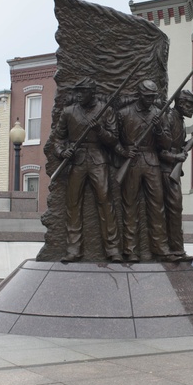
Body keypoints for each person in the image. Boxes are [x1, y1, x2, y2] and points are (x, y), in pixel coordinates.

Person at [50, 77, 123, 262]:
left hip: (98, 159)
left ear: (92, 92)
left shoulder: (106, 111)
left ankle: (113, 249)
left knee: (106, 202)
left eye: (83, 91)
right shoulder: (68, 112)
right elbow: (58, 139)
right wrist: (63, 152)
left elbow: (114, 139)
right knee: (73, 204)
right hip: (76, 161)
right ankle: (73, 249)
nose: (79, 95)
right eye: (77, 92)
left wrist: (100, 131)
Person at [116, 80, 176, 262]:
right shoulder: (124, 113)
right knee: (130, 206)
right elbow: (112, 139)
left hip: (152, 162)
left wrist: (158, 129)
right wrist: (124, 151)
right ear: (140, 94)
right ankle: (130, 249)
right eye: (148, 97)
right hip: (132, 162)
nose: (151, 100)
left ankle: (161, 248)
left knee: (157, 206)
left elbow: (167, 144)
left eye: (153, 97)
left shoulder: (159, 114)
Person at [158, 90, 193, 262]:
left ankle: (177, 249)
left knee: (175, 210)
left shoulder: (180, 121)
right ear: (181, 103)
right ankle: (172, 249)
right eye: (190, 105)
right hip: (165, 169)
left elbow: (179, 147)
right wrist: (176, 157)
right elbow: (160, 149)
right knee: (171, 209)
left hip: (172, 168)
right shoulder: (168, 118)